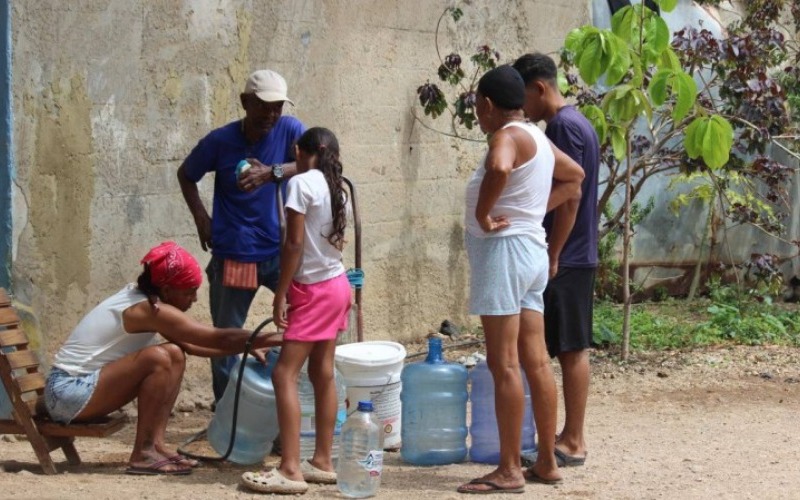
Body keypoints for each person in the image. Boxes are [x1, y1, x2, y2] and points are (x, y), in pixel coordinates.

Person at [44, 241, 283, 475]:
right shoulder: (147, 309)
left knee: (174, 354)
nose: (195, 299)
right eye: (189, 292)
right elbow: (213, 337)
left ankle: (155, 446)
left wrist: (247, 345)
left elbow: (192, 345)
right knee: (160, 357)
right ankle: (143, 453)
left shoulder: (149, 301)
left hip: (73, 392)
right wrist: (274, 337)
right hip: (67, 392)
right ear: (168, 290)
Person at [456, 65, 584, 494]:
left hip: (505, 254)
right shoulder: (539, 139)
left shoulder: (507, 136)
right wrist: (534, 214)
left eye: (477, 106)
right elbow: (575, 180)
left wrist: (482, 215)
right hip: (530, 251)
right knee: (534, 359)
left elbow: (499, 167)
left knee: (504, 361)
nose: (478, 114)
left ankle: (510, 469)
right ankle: (546, 461)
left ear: (488, 105)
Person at [177, 69, 306, 403]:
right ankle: (227, 418)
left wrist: (272, 172)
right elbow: (186, 174)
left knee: (302, 326)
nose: (271, 114)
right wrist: (201, 218)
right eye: (264, 106)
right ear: (245, 102)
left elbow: (317, 162)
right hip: (236, 253)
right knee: (225, 341)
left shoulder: (289, 130)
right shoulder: (221, 141)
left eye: (278, 106)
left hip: (279, 254)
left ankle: (289, 411)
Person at [241, 127, 351, 494]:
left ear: (302, 152)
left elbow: (293, 244)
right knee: (322, 372)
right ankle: (321, 460)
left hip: (313, 290)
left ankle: (290, 468)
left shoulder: (301, 184)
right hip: (337, 285)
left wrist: (281, 293)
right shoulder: (338, 188)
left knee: (284, 374)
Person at [513, 52, 600, 468]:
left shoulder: (563, 127)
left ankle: (573, 440)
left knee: (571, 348)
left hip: (567, 254)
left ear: (540, 89)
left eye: (522, 96)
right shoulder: (577, 122)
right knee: (568, 345)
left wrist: (552, 254)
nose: (520, 108)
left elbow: (571, 194)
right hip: (575, 252)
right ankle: (564, 436)